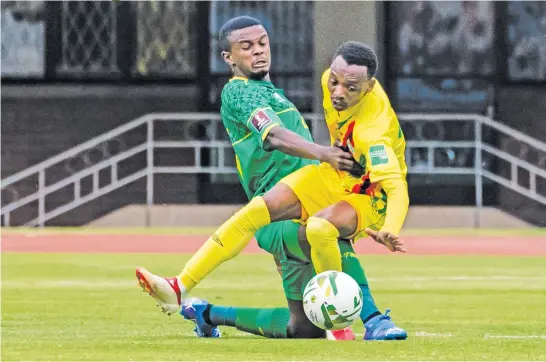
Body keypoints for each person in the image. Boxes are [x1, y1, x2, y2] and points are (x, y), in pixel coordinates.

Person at [136, 17, 408, 340]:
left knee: (303, 328)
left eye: (262, 43)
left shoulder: (273, 93)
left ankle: (206, 313)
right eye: (246, 47)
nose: (258, 51)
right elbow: (274, 135)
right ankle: (372, 319)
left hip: (307, 198)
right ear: (229, 58)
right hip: (280, 214)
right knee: (324, 231)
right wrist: (324, 153)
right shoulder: (239, 93)